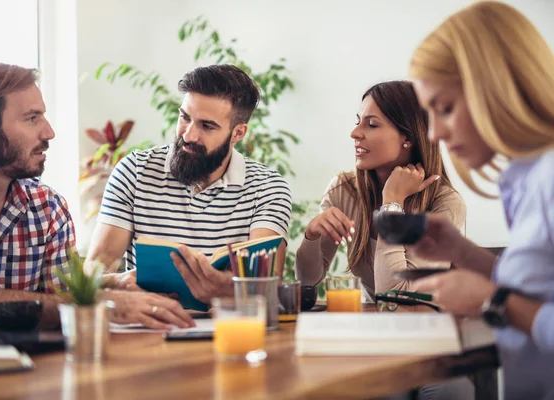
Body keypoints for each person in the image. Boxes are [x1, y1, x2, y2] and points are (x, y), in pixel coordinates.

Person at [0, 62, 194, 332]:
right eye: (32, 118)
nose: (49, 132)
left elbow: (54, 297)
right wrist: (104, 303)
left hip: (25, 371)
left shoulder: (47, 208)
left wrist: (111, 283)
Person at [408, 2, 554, 398]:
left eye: (446, 108)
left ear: (498, 88)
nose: (434, 133)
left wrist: (494, 302)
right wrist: (464, 253)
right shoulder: (526, 179)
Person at [87, 64, 292, 306]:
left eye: (207, 126)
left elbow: (266, 285)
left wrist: (223, 288)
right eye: (185, 117)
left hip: (230, 330)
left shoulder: (268, 188)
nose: (188, 135)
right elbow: (93, 271)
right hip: (149, 331)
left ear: (238, 133)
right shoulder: (134, 171)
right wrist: (119, 282)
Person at [296, 80, 466, 302]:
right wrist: (311, 236)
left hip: (427, 327)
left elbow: (395, 295)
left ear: (409, 137)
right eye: (358, 122)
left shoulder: (445, 204)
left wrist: (392, 203)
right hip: (373, 327)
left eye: (372, 125)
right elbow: (307, 283)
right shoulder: (343, 190)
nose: (355, 133)